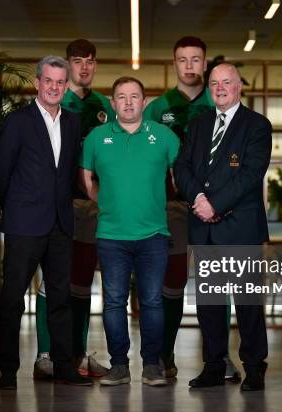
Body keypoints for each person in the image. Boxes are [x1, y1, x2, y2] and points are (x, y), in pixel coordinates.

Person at [0, 55, 92, 388]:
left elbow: (68, 174)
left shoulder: (73, 122)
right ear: (37, 83)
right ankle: (7, 370)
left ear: (66, 85)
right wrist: (17, 209)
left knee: (61, 298)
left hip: (61, 224)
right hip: (24, 224)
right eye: (47, 80)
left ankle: (63, 365)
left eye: (60, 82)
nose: (53, 87)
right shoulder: (18, 121)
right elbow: (2, 173)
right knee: (12, 297)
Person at [144, 35, 240, 382]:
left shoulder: (217, 102)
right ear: (174, 64)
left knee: (216, 283)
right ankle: (164, 355)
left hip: (216, 208)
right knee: (170, 284)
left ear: (204, 62)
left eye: (195, 59)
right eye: (182, 60)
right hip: (171, 208)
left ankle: (219, 358)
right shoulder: (157, 109)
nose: (189, 66)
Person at [174, 63, 271, 389]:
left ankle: (255, 367)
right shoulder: (198, 124)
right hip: (205, 228)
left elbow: (250, 174)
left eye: (226, 82)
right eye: (214, 83)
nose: (220, 88)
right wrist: (198, 198)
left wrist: (215, 204)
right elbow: (182, 166)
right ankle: (214, 365)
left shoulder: (257, 125)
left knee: (247, 302)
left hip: (240, 227)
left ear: (238, 86)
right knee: (210, 302)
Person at [80, 77, 180, 386]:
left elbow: (180, 178)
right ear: (112, 103)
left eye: (134, 96)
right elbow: (87, 179)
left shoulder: (164, 136)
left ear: (144, 101)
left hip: (154, 234)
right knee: (113, 302)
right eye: (121, 97)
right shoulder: (96, 137)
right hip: (111, 235)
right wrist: (107, 203)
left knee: (152, 301)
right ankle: (119, 366)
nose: (127, 102)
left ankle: (151, 364)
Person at [33, 39, 114, 379]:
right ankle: (45, 355)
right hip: (56, 204)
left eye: (90, 61)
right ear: (66, 66)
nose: (84, 67)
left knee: (81, 282)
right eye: (77, 61)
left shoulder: (103, 107)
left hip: (92, 207)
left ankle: (76, 355)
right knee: (52, 282)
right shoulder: (54, 100)